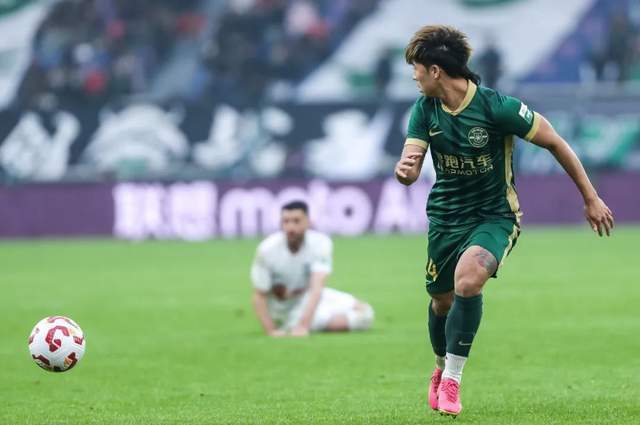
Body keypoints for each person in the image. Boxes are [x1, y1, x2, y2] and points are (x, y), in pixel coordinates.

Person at [395, 25, 614, 417]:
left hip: (495, 215)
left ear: (435, 71)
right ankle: (440, 366)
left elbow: (555, 142)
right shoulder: (425, 109)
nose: (414, 77)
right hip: (446, 218)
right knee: (441, 301)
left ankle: (453, 380)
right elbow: (410, 166)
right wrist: (405, 171)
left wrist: (591, 197)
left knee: (468, 279)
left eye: (416, 69)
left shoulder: (497, 107)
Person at [251, 201, 374, 337]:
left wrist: (304, 325)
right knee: (352, 320)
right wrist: (271, 330)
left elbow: (317, 287)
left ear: (308, 222)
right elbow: (259, 295)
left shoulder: (321, 243)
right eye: (286, 221)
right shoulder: (267, 250)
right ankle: (303, 322)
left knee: (365, 313)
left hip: (311, 296)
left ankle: (313, 320)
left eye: (296, 221)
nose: (290, 227)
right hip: (285, 312)